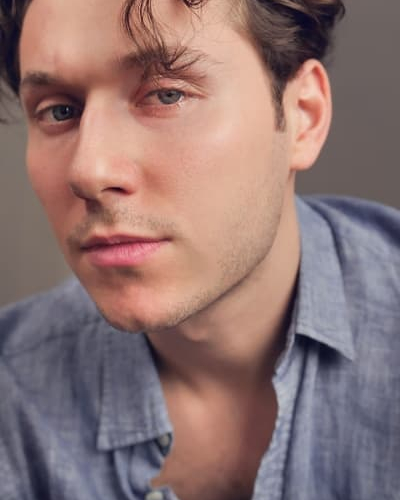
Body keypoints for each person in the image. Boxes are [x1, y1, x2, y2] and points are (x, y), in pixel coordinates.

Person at [0, 0, 399, 498]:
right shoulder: (12, 396)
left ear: (304, 115)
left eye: (167, 94)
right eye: (60, 111)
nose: (89, 171)